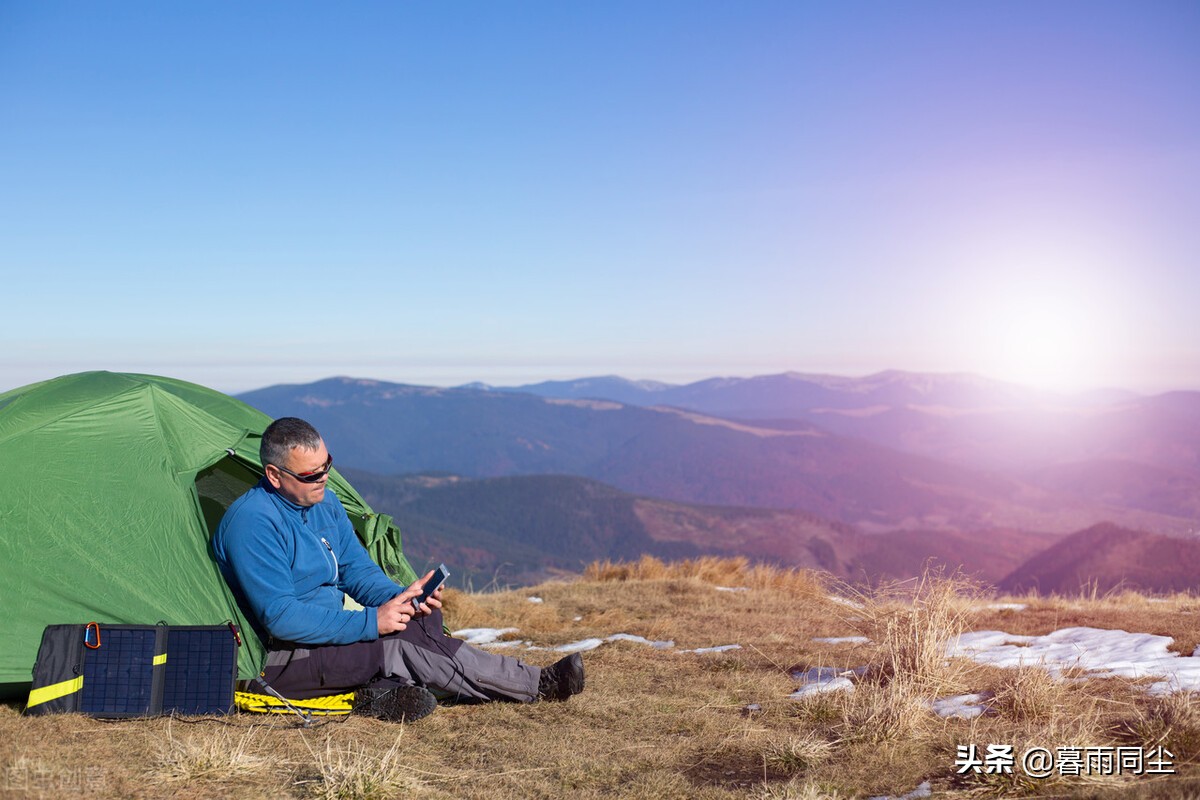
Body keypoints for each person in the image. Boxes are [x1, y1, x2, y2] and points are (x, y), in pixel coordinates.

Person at [212, 416, 584, 722]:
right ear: (275, 476)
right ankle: (538, 684)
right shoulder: (254, 523)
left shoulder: (324, 504)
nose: (323, 478)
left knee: (421, 621)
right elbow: (281, 618)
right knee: (396, 646)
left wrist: (400, 598)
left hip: (324, 635)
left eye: (327, 465)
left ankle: (380, 694)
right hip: (280, 657)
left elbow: (355, 571)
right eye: (310, 475)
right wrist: (372, 623)